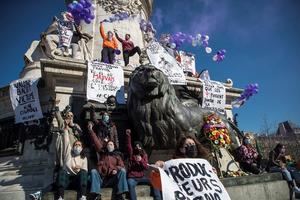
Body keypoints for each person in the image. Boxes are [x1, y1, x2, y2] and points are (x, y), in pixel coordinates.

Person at [88, 122, 128, 200]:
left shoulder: (117, 156)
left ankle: (120, 194)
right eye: (108, 144)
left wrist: (116, 169)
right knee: (93, 171)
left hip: (113, 179)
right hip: (103, 179)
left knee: (122, 171)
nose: (109, 146)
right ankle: (96, 194)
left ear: (114, 146)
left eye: (111, 144)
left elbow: (123, 167)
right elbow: (96, 141)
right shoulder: (102, 153)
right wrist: (91, 130)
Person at [125, 129, 161, 200]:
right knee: (130, 184)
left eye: (139, 146)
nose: (137, 148)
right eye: (136, 146)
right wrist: (128, 135)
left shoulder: (144, 154)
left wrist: (141, 160)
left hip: (142, 177)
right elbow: (128, 145)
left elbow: (146, 167)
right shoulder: (132, 154)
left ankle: (158, 198)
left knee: (154, 181)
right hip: (132, 177)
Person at [56, 127, 88, 200]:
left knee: (83, 172)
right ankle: (60, 197)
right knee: (62, 171)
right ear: (73, 147)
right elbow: (66, 141)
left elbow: (85, 170)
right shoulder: (68, 153)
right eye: (76, 145)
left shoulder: (84, 158)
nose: (77, 146)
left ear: (82, 148)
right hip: (66, 180)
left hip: (77, 181)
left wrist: (79, 169)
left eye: (79, 145)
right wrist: (66, 131)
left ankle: (82, 196)